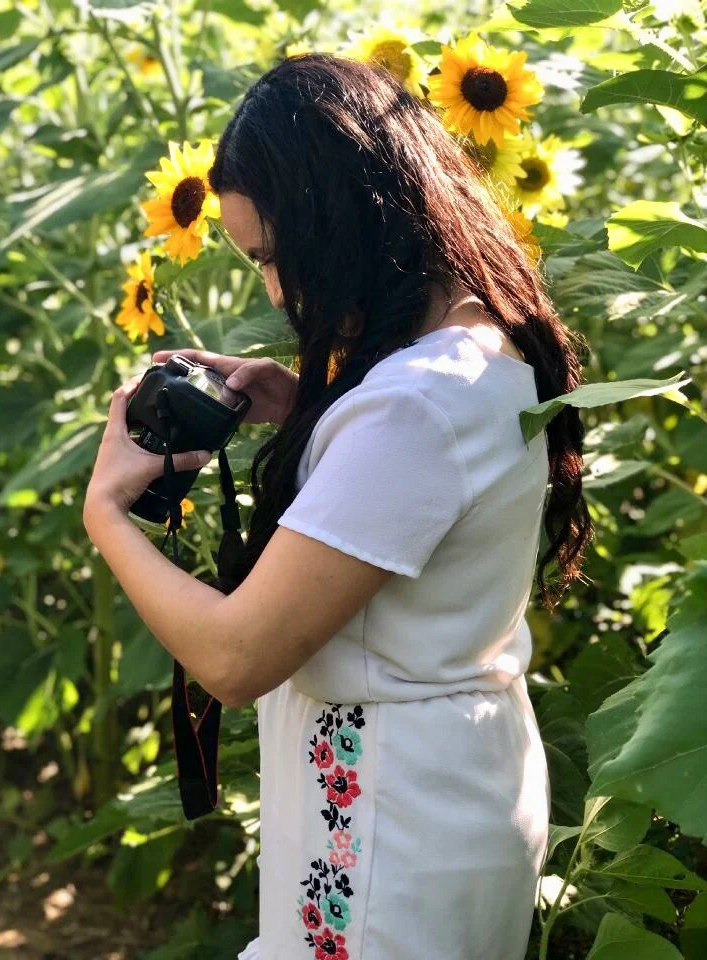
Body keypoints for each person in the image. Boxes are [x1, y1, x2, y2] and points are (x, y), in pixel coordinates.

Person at [148, 52, 594, 960]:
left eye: (275, 256)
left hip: (382, 822)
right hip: (438, 791)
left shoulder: (411, 408)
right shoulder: (474, 346)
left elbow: (235, 660)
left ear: (344, 219)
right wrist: (312, 408)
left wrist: (110, 519)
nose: (275, 291)